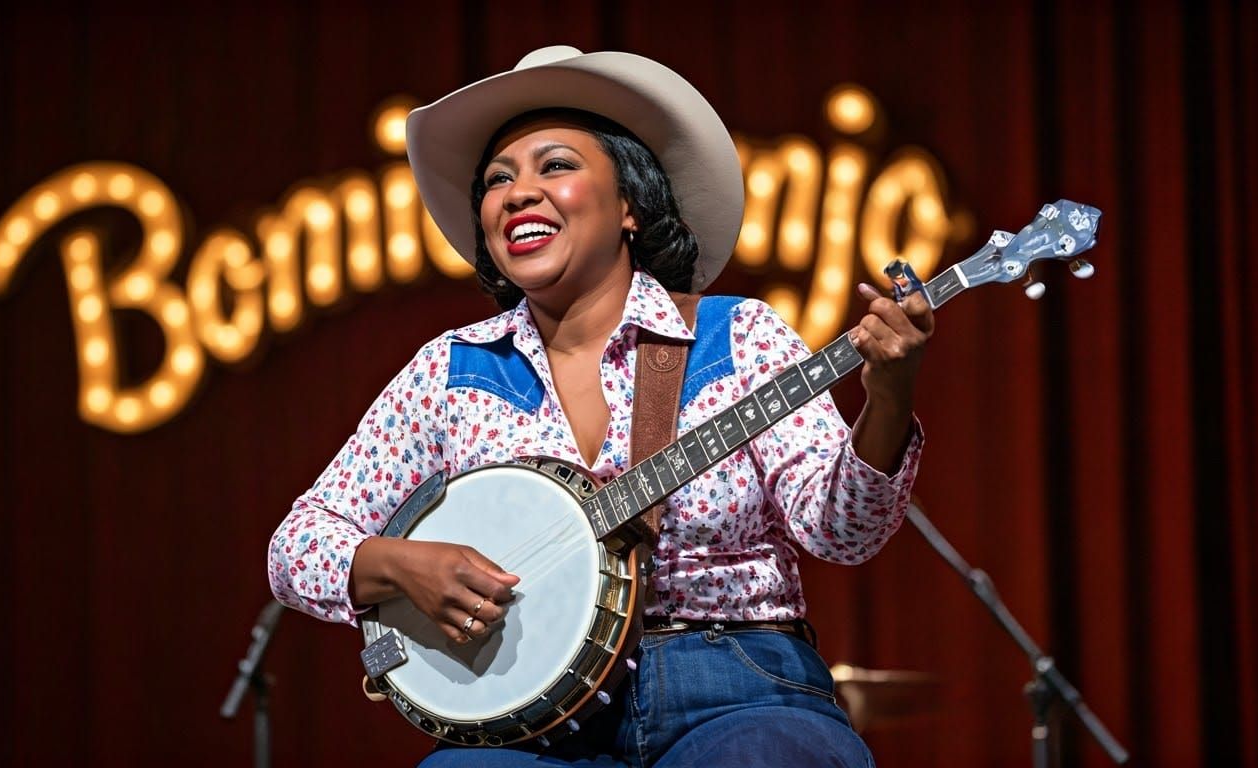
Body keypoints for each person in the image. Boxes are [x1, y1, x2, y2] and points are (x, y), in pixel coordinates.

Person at [269, 46, 932, 767]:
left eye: (555, 165)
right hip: (531, 727)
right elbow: (296, 545)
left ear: (629, 207)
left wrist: (888, 395)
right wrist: (400, 564)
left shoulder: (736, 336)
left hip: (738, 687)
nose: (519, 192)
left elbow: (843, 532)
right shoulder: (451, 371)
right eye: (498, 179)